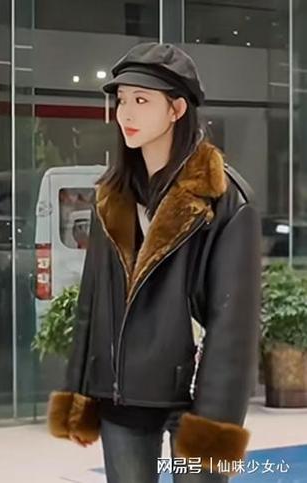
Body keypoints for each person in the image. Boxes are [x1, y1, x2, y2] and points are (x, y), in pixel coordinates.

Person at [47, 43, 261, 482]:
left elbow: (234, 326)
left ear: (177, 109)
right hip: (123, 397)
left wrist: (216, 423)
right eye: (122, 100)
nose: (126, 113)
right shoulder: (111, 197)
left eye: (142, 101)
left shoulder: (224, 200)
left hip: (197, 400)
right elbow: (92, 302)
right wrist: (79, 392)